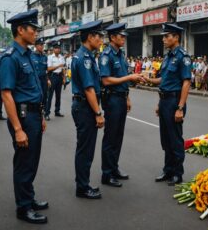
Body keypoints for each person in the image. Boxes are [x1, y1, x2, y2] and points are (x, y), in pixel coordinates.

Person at [0, 9, 48, 224]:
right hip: (23, 116)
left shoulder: (28, 54)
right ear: (21, 30)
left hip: (34, 114)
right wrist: (18, 129)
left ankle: (29, 197)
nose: (36, 33)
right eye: (33, 29)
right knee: (24, 162)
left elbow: (34, 88)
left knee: (32, 160)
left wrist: (42, 115)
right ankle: (23, 207)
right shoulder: (10, 57)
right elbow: (6, 94)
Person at [143, 23, 192, 186]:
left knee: (175, 139)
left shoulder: (182, 57)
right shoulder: (168, 57)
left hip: (174, 101)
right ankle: (168, 170)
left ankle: (178, 173)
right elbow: (164, 81)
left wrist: (180, 108)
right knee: (165, 138)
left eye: (167, 36)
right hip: (165, 100)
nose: (163, 39)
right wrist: (149, 80)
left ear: (176, 37)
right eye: (163, 36)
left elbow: (186, 83)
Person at [98, 23, 142, 188]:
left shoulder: (120, 55)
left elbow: (122, 77)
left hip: (121, 98)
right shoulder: (106, 55)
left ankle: (114, 168)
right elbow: (106, 80)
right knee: (110, 137)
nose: (123, 38)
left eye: (124, 36)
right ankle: (106, 174)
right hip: (112, 100)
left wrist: (127, 97)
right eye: (120, 36)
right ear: (112, 38)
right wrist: (129, 79)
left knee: (118, 136)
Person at [71, 20, 105, 199]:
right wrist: (98, 113)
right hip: (85, 107)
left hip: (84, 106)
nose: (101, 40)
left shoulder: (88, 56)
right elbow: (89, 89)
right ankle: (82, 187)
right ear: (90, 37)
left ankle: (83, 183)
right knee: (85, 149)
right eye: (99, 36)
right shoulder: (84, 58)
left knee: (86, 148)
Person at [45, 41, 65, 120]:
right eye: (56, 48)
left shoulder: (61, 57)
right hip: (52, 77)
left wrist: (64, 78)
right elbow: (48, 68)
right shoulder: (50, 57)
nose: (58, 50)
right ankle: (47, 113)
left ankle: (57, 111)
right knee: (49, 96)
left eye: (59, 48)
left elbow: (63, 68)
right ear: (53, 49)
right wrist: (58, 66)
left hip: (59, 76)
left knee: (58, 95)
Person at [31, 37, 48, 108]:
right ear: (36, 46)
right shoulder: (31, 56)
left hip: (43, 79)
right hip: (35, 80)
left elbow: (46, 69)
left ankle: (42, 111)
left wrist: (48, 79)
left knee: (44, 96)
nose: (42, 47)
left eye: (43, 45)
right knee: (36, 96)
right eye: (40, 45)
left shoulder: (44, 57)